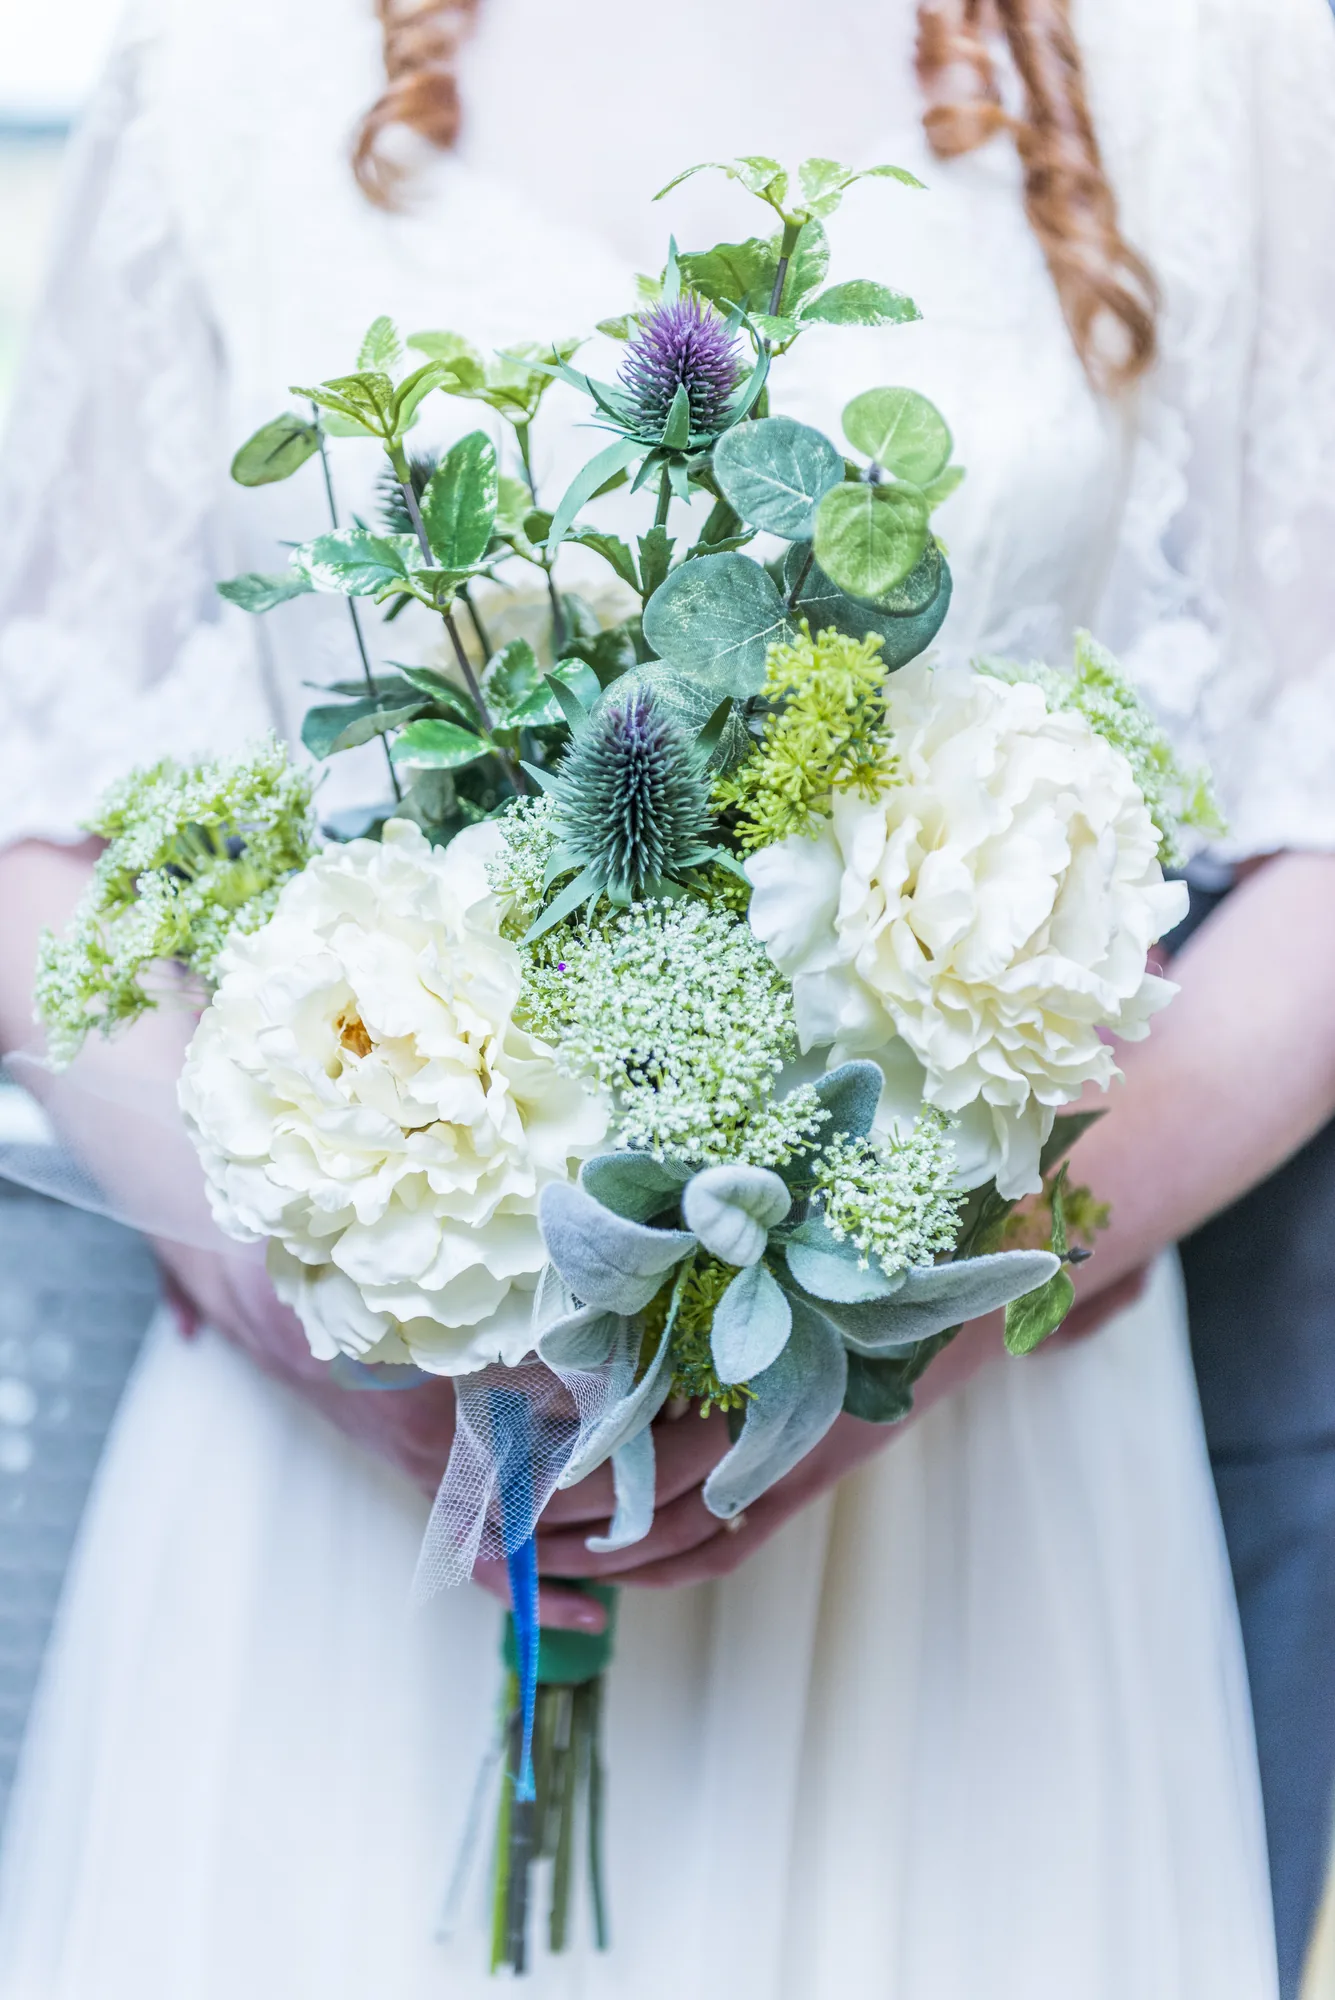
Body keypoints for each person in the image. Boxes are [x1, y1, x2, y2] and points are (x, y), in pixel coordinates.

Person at [0, 0, 1331, 1991]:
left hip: (962, 1521)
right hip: (337, 1493)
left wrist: (928, 1294)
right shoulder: (229, 49)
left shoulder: (1192, 54)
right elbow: (34, 791)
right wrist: (294, 1279)